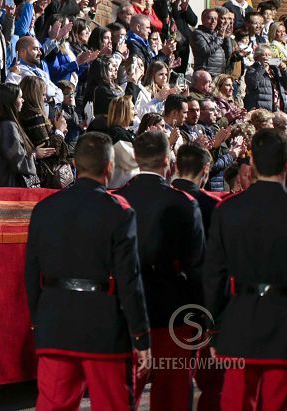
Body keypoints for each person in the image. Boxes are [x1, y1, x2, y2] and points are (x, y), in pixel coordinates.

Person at [25, 132, 152, 410]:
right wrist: (140, 335)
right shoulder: (119, 211)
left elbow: (31, 272)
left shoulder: (44, 209)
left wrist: (39, 320)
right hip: (103, 327)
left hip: (55, 323)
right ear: (109, 168)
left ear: (75, 164)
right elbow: (129, 278)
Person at [115, 130, 205, 409]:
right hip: (171, 309)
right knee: (172, 394)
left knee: (124, 392)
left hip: (123, 310)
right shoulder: (183, 203)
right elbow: (196, 264)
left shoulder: (115, 199)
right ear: (168, 161)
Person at [204, 127, 287, 411]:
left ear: (251, 168)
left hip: (240, 320)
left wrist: (214, 327)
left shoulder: (228, 210)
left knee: (236, 402)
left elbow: (214, 274)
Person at [0, 83, 42, 187]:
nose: (23, 100)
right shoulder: (8, 126)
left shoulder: (8, 124)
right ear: (11, 101)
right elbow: (17, 159)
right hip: (9, 185)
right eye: (20, 97)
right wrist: (34, 155)